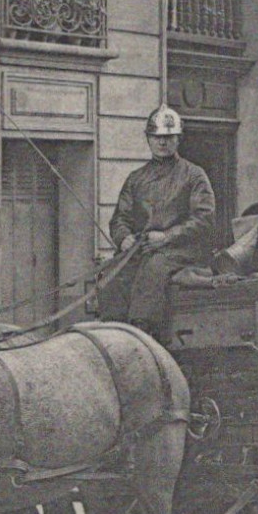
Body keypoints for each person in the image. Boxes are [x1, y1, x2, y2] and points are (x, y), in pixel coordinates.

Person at [102, 104, 217, 338]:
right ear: (148, 139)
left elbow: (204, 218)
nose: (162, 143)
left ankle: (144, 334)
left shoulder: (194, 175)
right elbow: (119, 219)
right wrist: (124, 238)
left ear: (178, 139)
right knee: (112, 272)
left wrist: (166, 237)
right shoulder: (136, 179)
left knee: (153, 269)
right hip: (143, 248)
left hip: (182, 250)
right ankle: (113, 332)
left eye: (168, 137)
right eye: (156, 137)